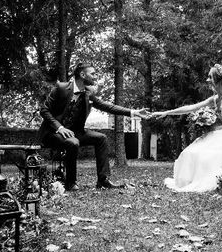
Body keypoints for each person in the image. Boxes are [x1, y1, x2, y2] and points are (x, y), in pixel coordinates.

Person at [37, 63, 149, 191]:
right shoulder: (61, 88)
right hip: (52, 133)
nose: (95, 77)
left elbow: (108, 106)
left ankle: (103, 180)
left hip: (75, 132)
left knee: (101, 138)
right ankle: (70, 182)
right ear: (82, 74)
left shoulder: (88, 94)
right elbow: (44, 110)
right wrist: (60, 128)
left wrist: (133, 112)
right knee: (73, 142)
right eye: (93, 74)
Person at [151, 64, 222, 192]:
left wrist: (215, 130)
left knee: (212, 151)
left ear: (218, 79)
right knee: (193, 150)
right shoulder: (215, 98)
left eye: (210, 77)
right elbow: (191, 107)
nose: (207, 80)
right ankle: (192, 179)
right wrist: (166, 113)